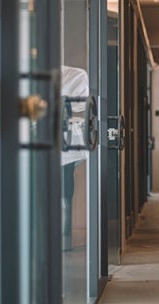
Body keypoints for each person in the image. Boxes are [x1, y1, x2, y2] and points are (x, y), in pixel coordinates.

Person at [61, 65, 89, 250]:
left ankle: (64, 237)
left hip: (64, 147)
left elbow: (83, 111)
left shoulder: (75, 75)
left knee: (64, 191)